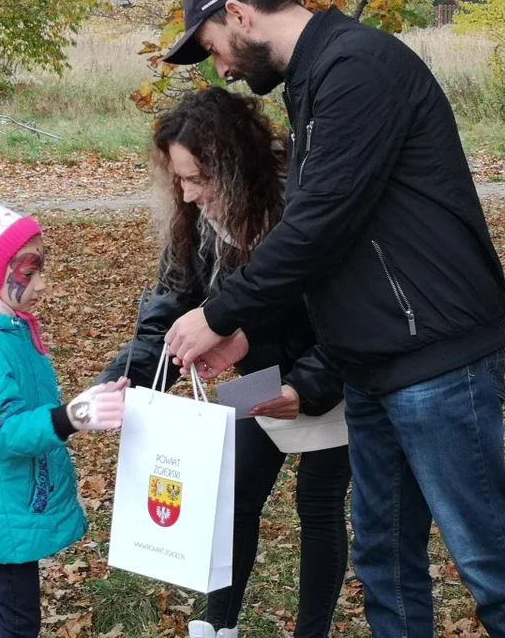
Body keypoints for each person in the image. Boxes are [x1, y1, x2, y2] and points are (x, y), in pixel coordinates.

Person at [161, 0, 505, 638]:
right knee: (385, 564)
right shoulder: (314, 81)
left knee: (489, 562)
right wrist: (252, 336)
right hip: (371, 367)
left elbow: (318, 226)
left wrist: (222, 313)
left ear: (239, 13)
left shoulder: (357, 68)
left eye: (213, 47)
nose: (221, 67)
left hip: (436, 360)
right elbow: (339, 244)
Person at [98, 88, 350, 638]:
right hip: (258, 375)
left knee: (319, 500)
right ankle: (219, 626)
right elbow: (170, 305)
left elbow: (349, 315)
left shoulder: (302, 207)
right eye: (179, 180)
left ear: (235, 167)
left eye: (198, 179)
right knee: (234, 494)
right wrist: (130, 381)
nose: (186, 196)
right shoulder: (196, 221)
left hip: (331, 370)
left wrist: (307, 386)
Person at [0, 194, 128, 638]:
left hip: (13, 494)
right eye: (29, 272)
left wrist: (89, 400)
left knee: (10, 610)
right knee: (19, 619)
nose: (41, 284)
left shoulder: (9, 329)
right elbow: (1, 430)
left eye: (40, 271)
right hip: (2, 499)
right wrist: (73, 416)